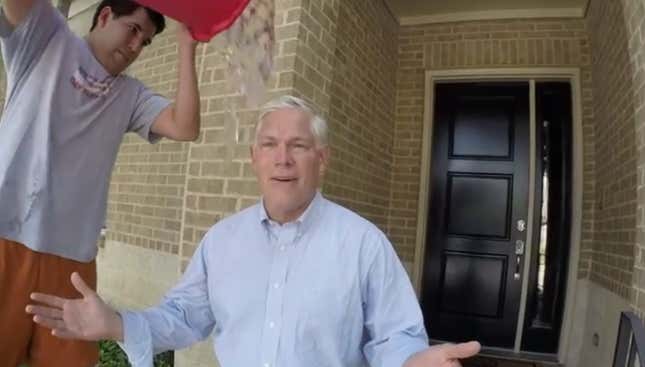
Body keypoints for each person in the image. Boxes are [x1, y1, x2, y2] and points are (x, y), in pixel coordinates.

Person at [26, 95, 481, 367]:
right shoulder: (221, 242)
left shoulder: (363, 245)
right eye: (270, 145)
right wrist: (118, 324)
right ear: (254, 159)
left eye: (298, 146)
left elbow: (393, 337)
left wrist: (410, 360)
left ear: (322, 160)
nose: (283, 158)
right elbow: (183, 319)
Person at [0, 0, 204, 365]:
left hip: (72, 261)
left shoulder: (130, 95)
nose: (136, 47)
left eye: (145, 42)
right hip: (5, 240)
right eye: (134, 30)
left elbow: (185, 126)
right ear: (105, 15)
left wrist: (186, 47)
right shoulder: (47, 36)